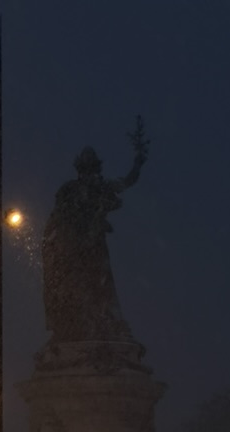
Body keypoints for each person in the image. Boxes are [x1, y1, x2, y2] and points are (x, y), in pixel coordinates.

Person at [42, 117, 149, 345]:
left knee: (94, 285)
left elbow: (126, 182)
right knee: (91, 285)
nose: (89, 173)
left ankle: (91, 325)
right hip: (79, 246)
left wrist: (137, 165)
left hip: (88, 246)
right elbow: (125, 183)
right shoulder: (73, 190)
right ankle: (87, 325)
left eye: (91, 169)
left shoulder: (76, 190)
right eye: (86, 169)